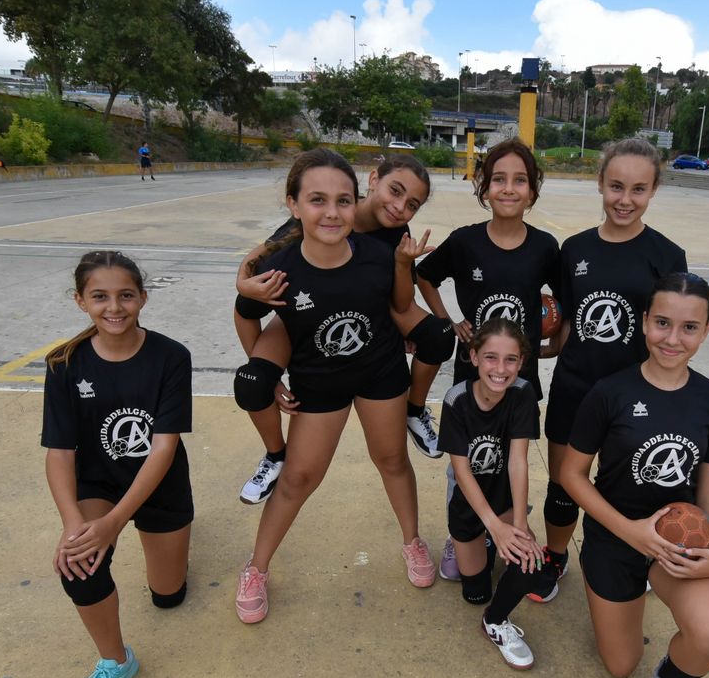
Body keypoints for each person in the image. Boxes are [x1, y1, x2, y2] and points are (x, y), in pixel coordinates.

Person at [232, 149, 437, 623]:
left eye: (343, 201)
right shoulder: (280, 269)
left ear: (357, 201)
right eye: (317, 200)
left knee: (391, 460)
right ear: (294, 205)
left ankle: (412, 541)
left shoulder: (379, 253)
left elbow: (402, 304)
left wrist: (416, 301)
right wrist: (267, 370)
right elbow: (246, 315)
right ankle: (257, 567)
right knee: (299, 478)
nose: (332, 212)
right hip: (318, 381)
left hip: (379, 374)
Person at [557, 272, 709, 678]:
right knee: (619, 664)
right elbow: (572, 475)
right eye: (662, 323)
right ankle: (627, 585)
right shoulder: (609, 393)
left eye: (689, 328)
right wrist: (631, 531)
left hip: (678, 542)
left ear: (706, 332)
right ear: (643, 323)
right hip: (617, 538)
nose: (673, 339)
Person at [232, 153, 455, 505]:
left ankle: (413, 411)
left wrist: (402, 330)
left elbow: (397, 295)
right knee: (254, 382)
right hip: (306, 311)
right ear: (372, 180)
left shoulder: (396, 231)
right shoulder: (319, 219)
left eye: (412, 204)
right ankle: (275, 455)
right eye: (394, 191)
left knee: (438, 336)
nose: (399, 207)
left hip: (364, 309)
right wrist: (243, 286)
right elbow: (254, 261)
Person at [41, 250, 193, 678]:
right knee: (80, 566)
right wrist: (77, 525)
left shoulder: (171, 356)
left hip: (159, 480)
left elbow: (164, 446)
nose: (114, 307)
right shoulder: (64, 363)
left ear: (143, 298)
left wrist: (116, 523)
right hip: (99, 483)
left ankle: (181, 536)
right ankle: (115, 662)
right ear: (80, 301)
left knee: (168, 597)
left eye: (126, 295)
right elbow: (60, 452)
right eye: (100, 296)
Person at [539, 138, 687, 599]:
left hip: (633, 397)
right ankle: (556, 555)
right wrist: (536, 350)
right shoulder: (574, 249)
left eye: (638, 190)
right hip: (575, 387)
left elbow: (669, 329)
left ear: (654, 191)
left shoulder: (667, 256)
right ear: (600, 184)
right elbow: (566, 320)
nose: (625, 199)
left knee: (627, 489)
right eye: (616, 186)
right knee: (563, 483)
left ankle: (630, 559)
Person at [415, 138, 560, 585]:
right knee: (465, 460)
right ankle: (462, 532)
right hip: (471, 375)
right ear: (484, 187)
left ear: (532, 191)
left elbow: (566, 303)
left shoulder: (545, 247)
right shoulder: (464, 242)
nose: (509, 188)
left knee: (512, 456)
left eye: (520, 180)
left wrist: (556, 346)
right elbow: (423, 274)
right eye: (499, 179)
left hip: (519, 377)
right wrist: (449, 321)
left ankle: (509, 523)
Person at [439, 318, 549, 669]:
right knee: (475, 592)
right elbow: (462, 471)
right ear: (473, 357)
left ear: (521, 362)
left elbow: (518, 461)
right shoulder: (456, 399)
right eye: (490, 357)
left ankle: (496, 620)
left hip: (503, 502)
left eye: (511, 360)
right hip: (469, 504)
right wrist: (492, 527)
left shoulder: (523, 393)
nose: (500, 369)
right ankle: (469, 541)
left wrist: (516, 525)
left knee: (534, 571)